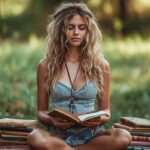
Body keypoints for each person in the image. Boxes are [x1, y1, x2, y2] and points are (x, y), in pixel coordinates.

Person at [27, 2, 131, 150]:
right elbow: (41, 112)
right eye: (70, 27)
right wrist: (53, 121)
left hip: (91, 136)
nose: (76, 32)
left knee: (123, 136)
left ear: (88, 31)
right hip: (57, 136)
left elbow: (106, 112)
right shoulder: (45, 65)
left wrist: (97, 120)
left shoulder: (101, 65)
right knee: (34, 137)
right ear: (60, 30)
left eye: (81, 28)